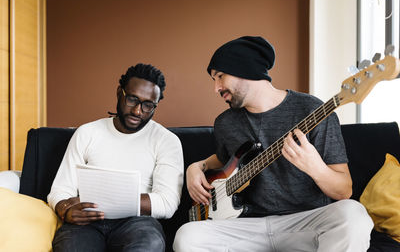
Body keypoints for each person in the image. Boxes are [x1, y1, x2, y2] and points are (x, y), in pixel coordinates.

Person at [173, 36, 373, 252]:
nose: (216, 88)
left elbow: (344, 190)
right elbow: (223, 161)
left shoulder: (313, 111)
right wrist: (197, 167)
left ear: (245, 69)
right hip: (247, 226)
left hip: (304, 224)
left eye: (220, 76)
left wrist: (315, 167)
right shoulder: (226, 122)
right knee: (187, 236)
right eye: (214, 80)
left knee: (354, 215)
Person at [48, 63, 184, 252]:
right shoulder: (87, 133)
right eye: (132, 99)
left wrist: (109, 199)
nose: (138, 111)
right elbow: (61, 190)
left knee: (150, 244)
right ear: (120, 92)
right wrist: (66, 210)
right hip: (87, 221)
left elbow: (167, 203)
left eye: (148, 106)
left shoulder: (167, 141)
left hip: (138, 222)